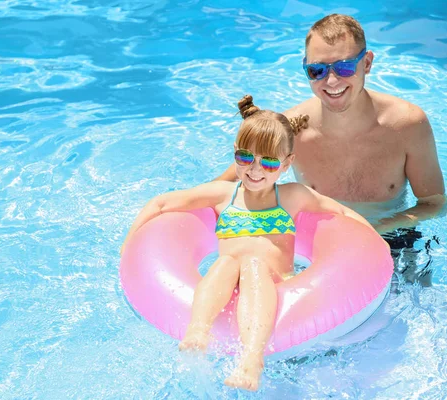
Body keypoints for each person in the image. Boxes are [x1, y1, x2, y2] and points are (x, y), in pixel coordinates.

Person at [121, 95, 376, 391]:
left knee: (253, 264)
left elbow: (341, 213)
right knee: (229, 261)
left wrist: (375, 247)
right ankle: (198, 332)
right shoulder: (222, 196)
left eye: (269, 162)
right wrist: (130, 247)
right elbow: (161, 204)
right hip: (227, 282)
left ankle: (252, 360)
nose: (256, 170)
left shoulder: (292, 196)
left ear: (286, 164)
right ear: (235, 153)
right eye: (246, 158)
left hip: (276, 283)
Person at [215, 14, 447, 284]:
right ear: (306, 69)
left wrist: (376, 227)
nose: (332, 81)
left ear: (367, 63)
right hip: (315, 246)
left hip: (393, 240)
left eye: (345, 67)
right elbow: (229, 184)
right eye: (318, 70)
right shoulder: (290, 129)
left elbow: (435, 205)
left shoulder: (406, 125)